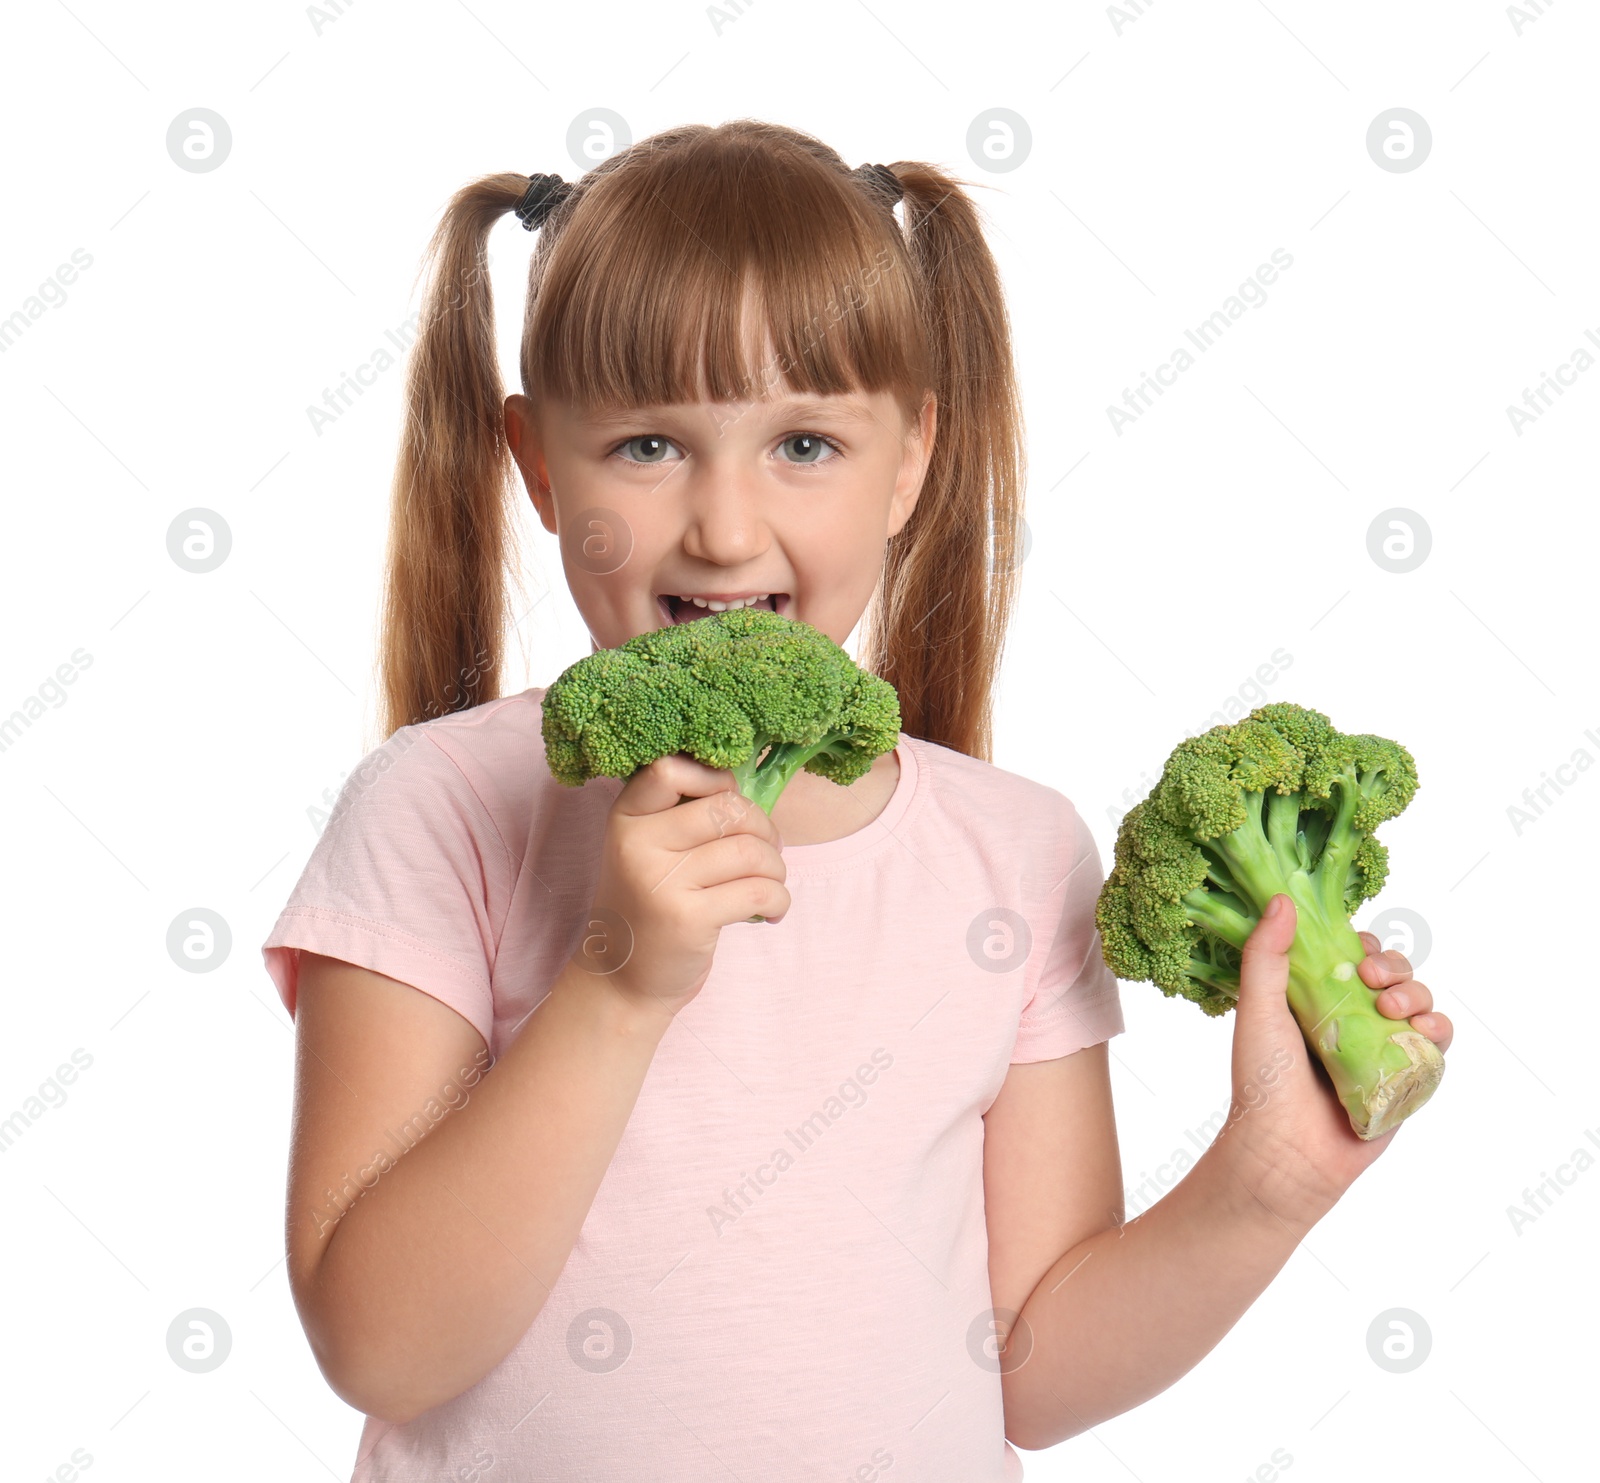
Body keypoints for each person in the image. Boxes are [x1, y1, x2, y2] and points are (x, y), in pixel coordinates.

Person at [262, 119, 1452, 1481]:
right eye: (648, 445)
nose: (722, 524)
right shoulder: (440, 808)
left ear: (911, 460)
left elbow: (1033, 1371)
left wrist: (1266, 1183)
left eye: (807, 444)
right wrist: (618, 983)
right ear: (537, 464)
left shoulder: (1013, 852)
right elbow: (381, 1347)